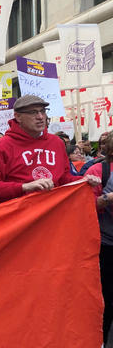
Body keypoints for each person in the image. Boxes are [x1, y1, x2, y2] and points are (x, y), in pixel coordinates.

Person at [0, 95, 94, 204]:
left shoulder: (57, 143)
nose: (40, 117)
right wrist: (24, 187)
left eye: (43, 111)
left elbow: (63, 179)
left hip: (52, 214)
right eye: (33, 112)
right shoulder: (0, 147)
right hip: (19, 217)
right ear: (18, 117)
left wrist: (84, 180)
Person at [85, 134, 113, 344]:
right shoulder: (98, 170)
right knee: (107, 300)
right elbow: (85, 206)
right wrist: (109, 198)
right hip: (107, 245)